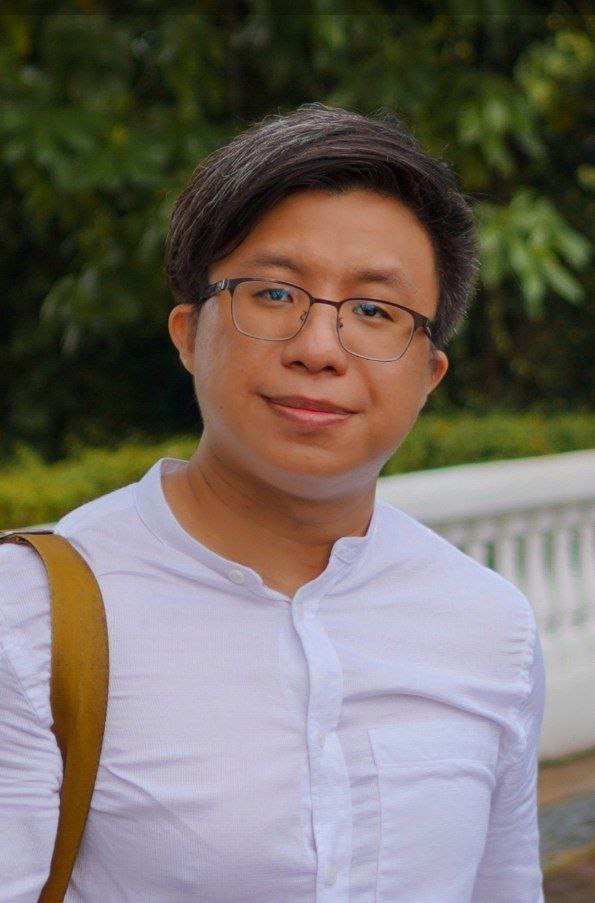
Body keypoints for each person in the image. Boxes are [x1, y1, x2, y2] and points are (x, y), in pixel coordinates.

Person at [0, 104, 545, 902]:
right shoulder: (36, 618)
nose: (318, 348)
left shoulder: (486, 624)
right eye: (273, 293)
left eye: (372, 310)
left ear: (428, 375)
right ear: (189, 334)